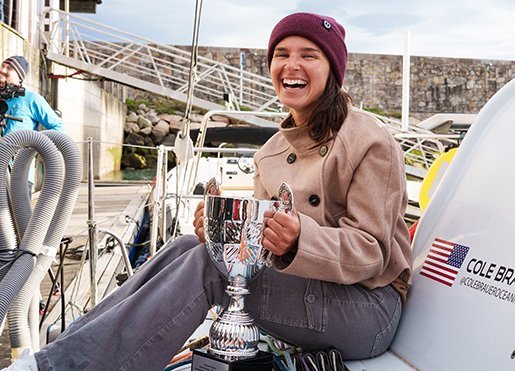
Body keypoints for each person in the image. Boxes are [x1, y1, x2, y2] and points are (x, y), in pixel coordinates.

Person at [7, 12, 412, 371]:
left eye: (309, 55)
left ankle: (64, 369)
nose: (292, 65)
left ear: (332, 69)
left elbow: (372, 251)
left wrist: (299, 239)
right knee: (187, 246)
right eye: (282, 54)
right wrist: (223, 234)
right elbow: (254, 246)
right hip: (308, 294)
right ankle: (59, 354)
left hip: (366, 310)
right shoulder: (272, 151)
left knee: (206, 268)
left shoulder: (368, 140)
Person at [0, 55, 63, 194]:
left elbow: (57, 128)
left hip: (19, 174)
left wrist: (34, 141)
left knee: (19, 215)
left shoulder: (32, 99)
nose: (3, 69)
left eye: (9, 68)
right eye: (2, 66)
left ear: (20, 77)